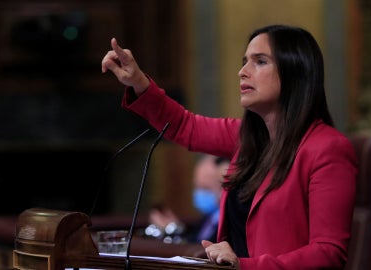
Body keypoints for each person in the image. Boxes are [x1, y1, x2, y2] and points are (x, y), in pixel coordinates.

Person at [101, 24, 357, 269]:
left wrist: (242, 266)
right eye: (244, 61)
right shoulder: (246, 138)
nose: (243, 71)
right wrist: (138, 82)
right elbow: (183, 125)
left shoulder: (328, 149)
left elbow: (329, 252)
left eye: (260, 61)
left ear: (295, 72)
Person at [146, 154, 230, 244]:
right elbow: (195, 240)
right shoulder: (209, 218)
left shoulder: (230, 223)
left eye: (206, 188)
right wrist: (174, 227)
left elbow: (206, 250)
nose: (200, 193)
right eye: (197, 186)